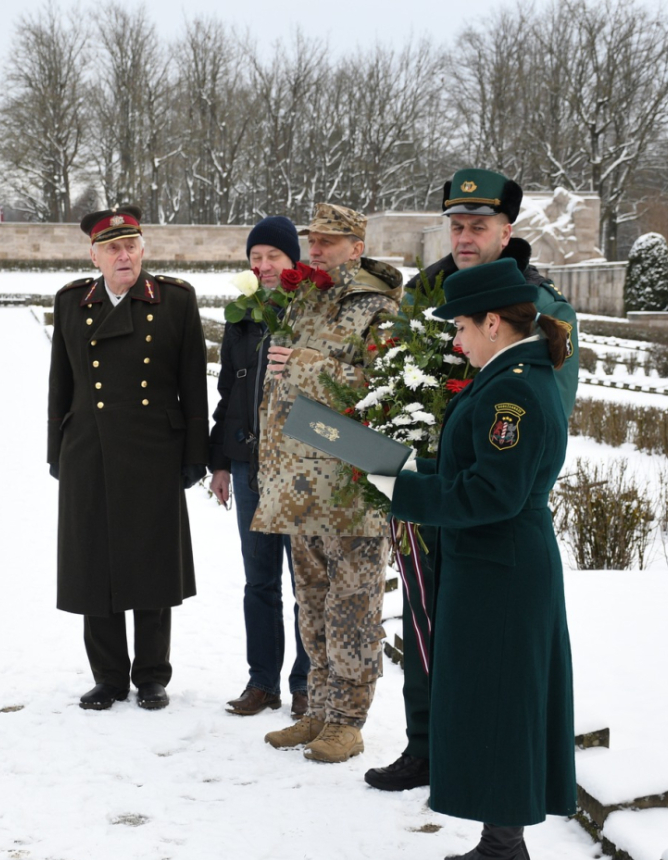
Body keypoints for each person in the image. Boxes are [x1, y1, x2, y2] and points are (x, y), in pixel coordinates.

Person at [365, 168, 580, 793]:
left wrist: (422, 480)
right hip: (435, 488)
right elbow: (387, 370)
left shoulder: (534, 307)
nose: (463, 236)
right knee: (427, 627)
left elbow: (538, 425)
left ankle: (479, 789)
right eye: (455, 225)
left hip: (478, 504)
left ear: (505, 230)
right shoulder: (424, 293)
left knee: (486, 662)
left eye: (477, 226)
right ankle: (427, 746)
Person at [252, 203, 402, 763]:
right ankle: (316, 707)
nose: (315, 251)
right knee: (310, 602)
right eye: (313, 240)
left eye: (329, 242)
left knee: (353, 605)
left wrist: (309, 366)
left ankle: (348, 720)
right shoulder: (306, 299)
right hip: (299, 481)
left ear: (357, 247)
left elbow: (386, 388)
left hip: (350, 480)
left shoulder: (380, 308)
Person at [47, 205, 210, 712]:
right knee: (93, 563)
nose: (124, 255)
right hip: (89, 449)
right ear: (94, 255)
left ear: (144, 249)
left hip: (153, 450)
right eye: (113, 248)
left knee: (152, 563)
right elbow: (61, 383)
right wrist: (57, 450)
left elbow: (192, 383)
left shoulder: (175, 300)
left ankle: (153, 676)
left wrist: (193, 453)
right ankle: (109, 676)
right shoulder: (73, 302)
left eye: (131, 246)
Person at [208, 216, 311, 719]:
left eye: (273, 256)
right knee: (260, 582)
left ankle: (306, 684)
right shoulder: (242, 318)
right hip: (249, 466)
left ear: (294, 261)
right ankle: (262, 681)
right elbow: (228, 393)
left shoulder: (312, 313)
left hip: (299, 469)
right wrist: (221, 463)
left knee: (306, 584)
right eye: (256, 258)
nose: (264, 265)